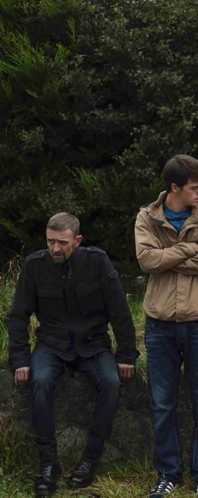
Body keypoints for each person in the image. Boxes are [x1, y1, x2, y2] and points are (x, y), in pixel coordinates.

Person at [7, 213, 139, 497]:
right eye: (50, 241)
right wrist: (20, 360)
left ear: (77, 240)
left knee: (111, 383)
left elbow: (119, 310)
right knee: (40, 381)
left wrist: (127, 355)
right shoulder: (35, 266)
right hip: (51, 345)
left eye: (62, 243)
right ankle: (48, 465)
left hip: (93, 345)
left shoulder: (97, 262)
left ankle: (89, 460)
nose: (55, 248)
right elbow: (18, 316)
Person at [135, 155, 198, 498]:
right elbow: (147, 260)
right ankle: (167, 475)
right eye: (195, 187)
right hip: (159, 324)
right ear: (175, 187)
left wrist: (168, 256)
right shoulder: (147, 216)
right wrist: (189, 249)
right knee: (163, 404)